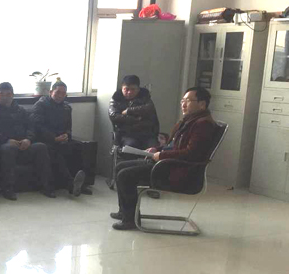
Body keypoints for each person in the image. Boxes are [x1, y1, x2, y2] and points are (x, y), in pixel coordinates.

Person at [111, 87, 217, 230]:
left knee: (125, 175)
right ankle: (125, 212)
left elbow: (191, 153)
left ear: (202, 104)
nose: (183, 104)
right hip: (168, 164)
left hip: (177, 170)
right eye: (182, 100)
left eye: (188, 101)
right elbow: (173, 146)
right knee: (120, 166)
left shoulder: (203, 125)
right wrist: (158, 150)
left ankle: (130, 220)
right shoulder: (189, 121)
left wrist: (162, 155)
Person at [0, 82, 55, 200]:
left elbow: (31, 127)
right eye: (2, 94)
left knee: (41, 147)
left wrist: (28, 139)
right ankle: (8, 188)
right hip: (2, 147)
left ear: (12, 95)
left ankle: (46, 186)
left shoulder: (21, 110)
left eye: (8, 94)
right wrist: (7, 140)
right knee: (9, 148)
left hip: (23, 145)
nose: (5, 97)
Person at [30, 78, 89, 197]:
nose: (60, 96)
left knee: (79, 147)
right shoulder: (40, 105)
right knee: (53, 150)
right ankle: (68, 185)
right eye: (57, 92)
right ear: (51, 92)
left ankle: (81, 184)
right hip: (43, 139)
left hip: (60, 138)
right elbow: (37, 126)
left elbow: (68, 127)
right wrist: (53, 138)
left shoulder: (66, 107)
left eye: (63, 93)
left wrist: (67, 135)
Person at [108, 74, 160, 149]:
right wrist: (135, 119)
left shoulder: (144, 97)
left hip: (147, 134)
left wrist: (129, 111)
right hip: (127, 134)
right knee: (130, 147)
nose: (129, 92)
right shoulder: (116, 99)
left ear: (138, 89)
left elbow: (149, 108)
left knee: (154, 148)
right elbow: (114, 116)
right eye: (126, 89)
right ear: (122, 88)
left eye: (133, 89)